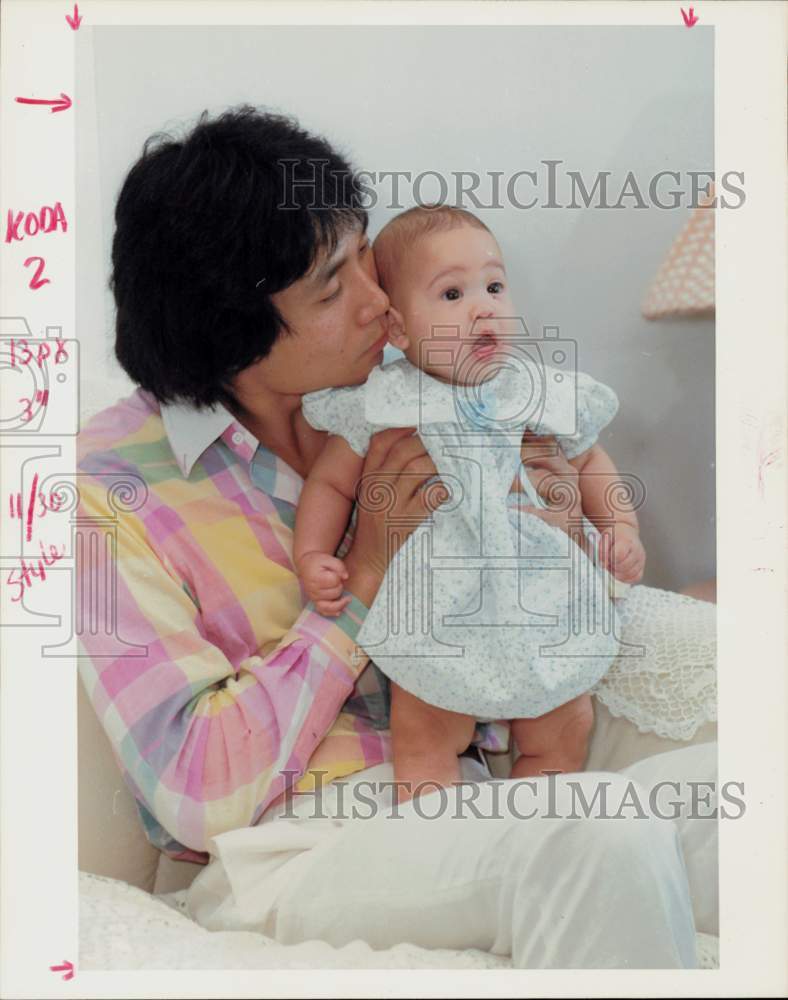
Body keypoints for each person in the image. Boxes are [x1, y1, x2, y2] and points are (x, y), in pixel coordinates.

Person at [76, 105, 717, 967]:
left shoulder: (417, 384)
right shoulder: (100, 491)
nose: (384, 300)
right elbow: (192, 788)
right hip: (298, 845)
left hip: (487, 779)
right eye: (336, 286)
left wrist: (562, 529)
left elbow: (534, 558)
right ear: (232, 329)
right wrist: (365, 569)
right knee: (598, 837)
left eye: (364, 255)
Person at [294, 204, 647, 793]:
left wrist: (621, 529)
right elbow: (330, 483)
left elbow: (590, 461)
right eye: (452, 294)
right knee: (425, 733)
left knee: (564, 725)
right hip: (437, 610)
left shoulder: (537, 389)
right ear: (399, 329)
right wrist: (312, 554)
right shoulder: (388, 400)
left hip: (541, 597)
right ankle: (437, 838)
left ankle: (538, 824)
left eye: (494, 285)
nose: (484, 305)